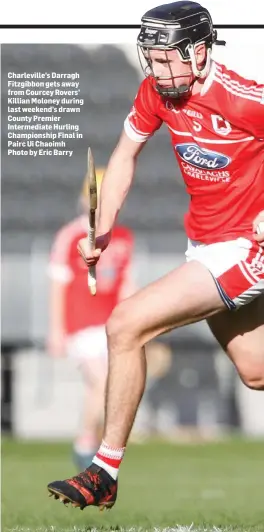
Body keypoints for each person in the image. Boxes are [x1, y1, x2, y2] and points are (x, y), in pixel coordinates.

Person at [47, 0, 264, 511]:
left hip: (248, 247)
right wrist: (101, 230)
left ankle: (103, 472)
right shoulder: (156, 93)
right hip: (205, 244)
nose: (158, 69)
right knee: (255, 371)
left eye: (168, 58)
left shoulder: (243, 97)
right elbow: (123, 158)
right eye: (153, 57)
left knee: (125, 325)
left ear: (201, 50)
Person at [47, 168, 136, 470]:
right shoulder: (70, 235)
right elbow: (58, 283)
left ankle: (94, 442)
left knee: (106, 387)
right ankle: (86, 442)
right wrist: (56, 330)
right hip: (80, 326)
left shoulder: (122, 236)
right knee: (101, 383)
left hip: (109, 325)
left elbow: (125, 285)